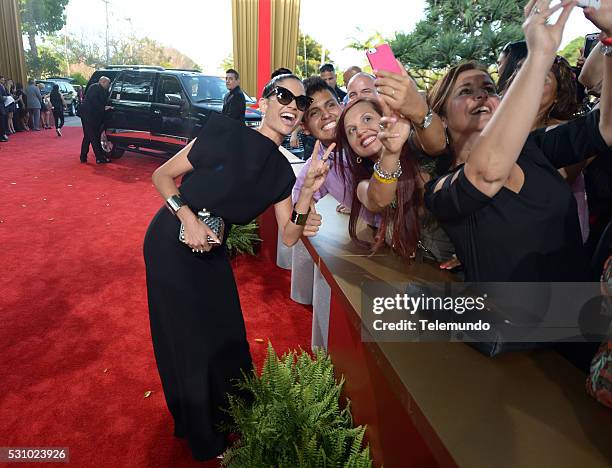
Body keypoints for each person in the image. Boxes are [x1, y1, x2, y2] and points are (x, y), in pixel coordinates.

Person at [143, 73, 331, 461]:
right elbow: (161, 175)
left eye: (301, 104)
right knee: (190, 339)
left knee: (227, 335)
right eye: (284, 96)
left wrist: (308, 191)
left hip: (211, 250)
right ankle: (201, 435)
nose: (292, 107)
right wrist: (188, 218)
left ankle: (234, 419)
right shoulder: (224, 132)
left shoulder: (281, 172)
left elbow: (290, 235)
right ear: (263, 102)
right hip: (170, 241)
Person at [424, 0, 612, 282]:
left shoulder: (534, 148)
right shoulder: (438, 189)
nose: (482, 96)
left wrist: (609, 39)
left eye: (489, 88)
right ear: (443, 117)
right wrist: (539, 55)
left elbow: (605, 128)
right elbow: (487, 172)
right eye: (465, 91)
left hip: (582, 316)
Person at [79, 76, 112, 164]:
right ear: (103, 82)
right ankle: (99, 157)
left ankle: (83, 156)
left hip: (90, 115)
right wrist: (103, 108)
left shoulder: (97, 88)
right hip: (88, 116)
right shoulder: (95, 88)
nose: (109, 85)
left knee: (88, 137)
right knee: (94, 137)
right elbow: (94, 102)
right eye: (108, 83)